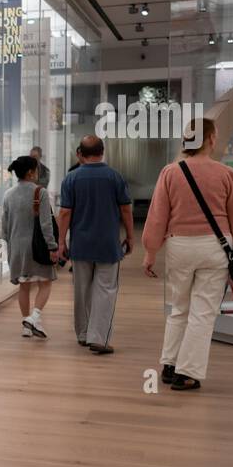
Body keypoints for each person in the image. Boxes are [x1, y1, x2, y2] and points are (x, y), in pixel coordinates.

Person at [141, 118, 233, 391]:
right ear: (211, 139)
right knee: (203, 311)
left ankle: (169, 363)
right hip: (215, 247)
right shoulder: (225, 174)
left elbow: (157, 217)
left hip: (180, 246)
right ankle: (186, 372)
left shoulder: (170, 172)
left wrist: (150, 252)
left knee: (179, 307)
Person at [57, 135, 134, 354]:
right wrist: (130, 236)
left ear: (79, 154)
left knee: (81, 291)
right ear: (103, 151)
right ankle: (98, 337)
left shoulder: (71, 179)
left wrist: (61, 241)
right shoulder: (115, 177)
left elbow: (64, 213)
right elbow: (126, 209)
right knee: (106, 290)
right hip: (109, 245)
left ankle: (82, 334)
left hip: (80, 245)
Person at [1, 155, 59, 338]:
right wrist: (52, 247)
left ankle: (27, 326)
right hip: (37, 248)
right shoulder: (39, 192)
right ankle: (34, 317)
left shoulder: (8, 194)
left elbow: (4, 227)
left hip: (16, 248)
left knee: (24, 286)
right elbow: (46, 224)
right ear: (30, 172)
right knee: (46, 282)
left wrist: (10, 248)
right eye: (36, 169)